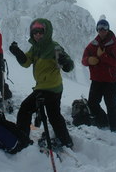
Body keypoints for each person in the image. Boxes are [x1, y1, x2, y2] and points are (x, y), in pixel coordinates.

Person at [9, 18, 74, 148]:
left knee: (25, 109)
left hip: (48, 88)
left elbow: (68, 65)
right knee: (54, 115)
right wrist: (18, 53)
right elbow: (26, 62)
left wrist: (65, 63)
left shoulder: (54, 47)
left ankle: (22, 140)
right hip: (53, 88)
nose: (37, 34)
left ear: (47, 32)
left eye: (40, 32)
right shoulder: (35, 48)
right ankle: (66, 141)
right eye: (35, 32)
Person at [81, 18, 116, 132]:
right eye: (100, 28)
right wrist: (89, 60)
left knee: (111, 105)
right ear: (97, 30)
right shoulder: (93, 44)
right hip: (97, 80)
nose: (102, 30)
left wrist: (103, 57)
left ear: (108, 29)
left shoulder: (114, 44)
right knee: (92, 104)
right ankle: (103, 122)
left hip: (111, 81)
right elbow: (83, 60)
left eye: (104, 27)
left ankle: (115, 128)